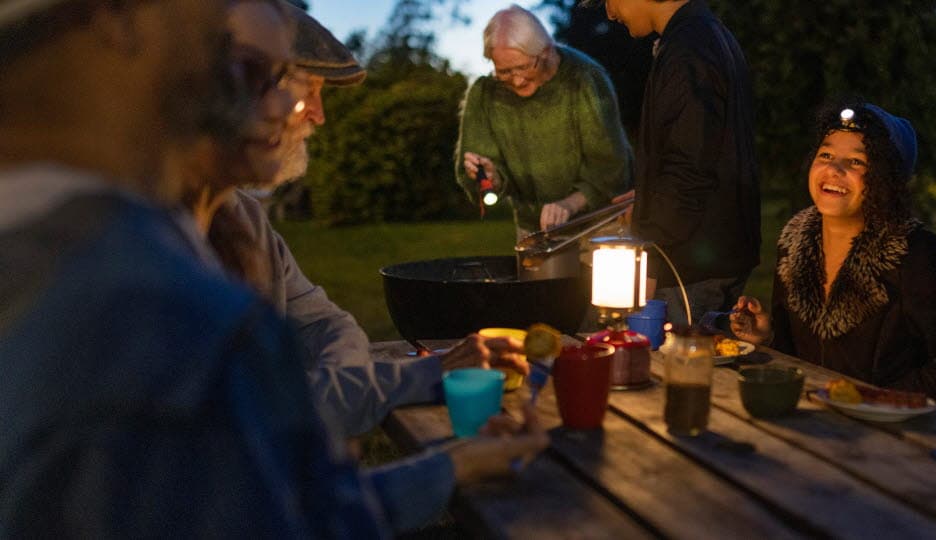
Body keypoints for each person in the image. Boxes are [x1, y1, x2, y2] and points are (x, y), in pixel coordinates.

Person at [0, 0, 547, 535]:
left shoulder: (218, 238)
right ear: (118, 28)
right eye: (253, 72)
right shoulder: (169, 311)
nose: (289, 107)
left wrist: (449, 455)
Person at [184, 2, 526, 439]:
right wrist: (381, 391)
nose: (317, 114)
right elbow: (264, 425)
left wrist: (354, 388)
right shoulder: (156, 247)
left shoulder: (245, 219)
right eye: (304, 89)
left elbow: (328, 324)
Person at [729, 103, 936, 408]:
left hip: (887, 436)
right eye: (826, 155)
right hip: (811, 422)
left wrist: (877, 401)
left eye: (856, 161)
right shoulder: (793, 246)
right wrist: (765, 337)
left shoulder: (911, 252)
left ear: (886, 179)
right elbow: (796, 358)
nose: (834, 170)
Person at [599, 0, 761, 327]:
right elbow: (704, 148)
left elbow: (688, 168)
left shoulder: (688, 49)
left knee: (675, 368)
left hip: (691, 262)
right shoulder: (707, 34)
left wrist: (650, 243)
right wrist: (647, 198)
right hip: (712, 251)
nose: (609, 13)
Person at [455, 4, 632, 235]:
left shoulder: (585, 79)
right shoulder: (485, 93)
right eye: (504, 72)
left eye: (523, 67)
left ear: (546, 51)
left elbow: (610, 170)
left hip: (598, 223)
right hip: (533, 228)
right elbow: (479, 176)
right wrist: (492, 178)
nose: (516, 81)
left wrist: (569, 204)